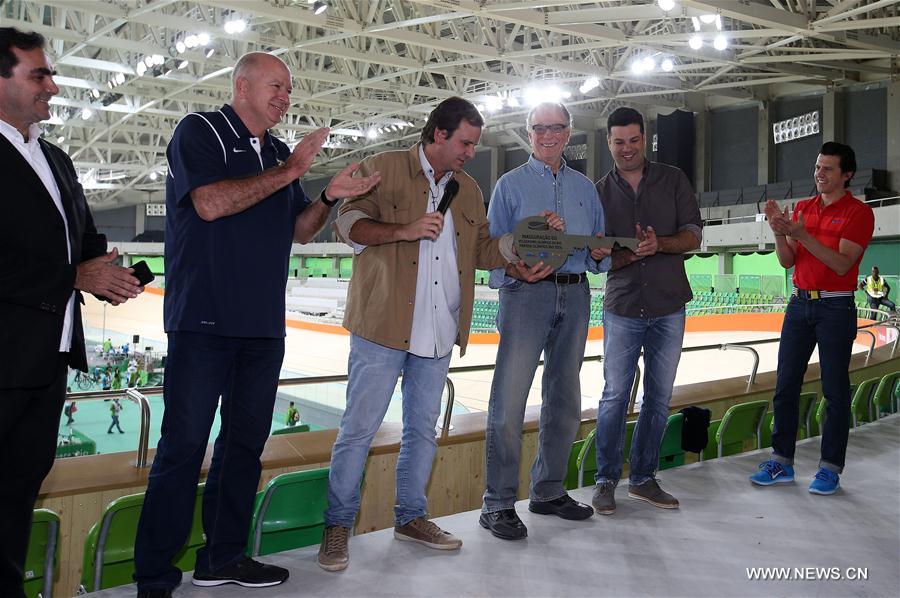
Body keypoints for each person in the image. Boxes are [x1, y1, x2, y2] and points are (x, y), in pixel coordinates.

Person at [132, 52, 378, 597]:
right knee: (184, 445)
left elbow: (301, 232)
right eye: (276, 86)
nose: (285, 98)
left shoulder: (276, 151)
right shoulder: (201, 130)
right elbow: (211, 205)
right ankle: (153, 574)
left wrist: (326, 196)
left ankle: (222, 556)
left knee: (245, 444)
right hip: (204, 318)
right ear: (241, 86)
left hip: (262, 325)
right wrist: (291, 172)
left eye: (289, 90)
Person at [319, 96, 550, 571]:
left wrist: (522, 241)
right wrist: (402, 230)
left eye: (474, 144)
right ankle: (337, 525)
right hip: (382, 326)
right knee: (358, 431)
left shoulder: (468, 189)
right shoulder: (383, 167)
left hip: (439, 329)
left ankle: (412, 516)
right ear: (439, 134)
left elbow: (484, 249)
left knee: (422, 431)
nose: (470, 152)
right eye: (465, 142)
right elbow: (345, 224)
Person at [0, 27, 143, 598]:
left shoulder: (55, 159)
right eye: (39, 75)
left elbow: (80, 240)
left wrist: (106, 273)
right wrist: (72, 276)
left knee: (15, 497)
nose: (53, 86)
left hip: (46, 361)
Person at [479, 102, 609, 541]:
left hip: (574, 294)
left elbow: (597, 248)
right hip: (525, 296)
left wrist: (599, 253)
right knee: (509, 401)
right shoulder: (508, 186)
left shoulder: (585, 188)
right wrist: (517, 264)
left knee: (565, 400)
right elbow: (492, 249)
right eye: (539, 128)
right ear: (527, 133)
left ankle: (548, 490)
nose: (548, 135)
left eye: (557, 127)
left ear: (569, 131)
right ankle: (497, 503)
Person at [591, 106, 702, 515]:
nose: (626, 148)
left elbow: (693, 234)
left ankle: (643, 478)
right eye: (619, 142)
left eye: (634, 140)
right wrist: (622, 255)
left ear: (645, 139)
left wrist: (660, 245)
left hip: (669, 304)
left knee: (658, 397)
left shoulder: (673, 179)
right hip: (622, 305)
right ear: (609, 142)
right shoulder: (597, 192)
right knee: (614, 396)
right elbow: (594, 255)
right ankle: (605, 481)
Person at [750, 142, 874, 495]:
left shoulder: (858, 214)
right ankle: (781, 461)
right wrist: (778, 231)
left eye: (828, 169)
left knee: (834, 390)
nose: (820, 174)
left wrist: (802, 234)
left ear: (846, 175)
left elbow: (841, 264)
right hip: (799, 304)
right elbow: (788, 262)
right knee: (785, 385)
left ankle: (830, 468)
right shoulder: (803, 208)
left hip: (836, 307)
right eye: (818, 167)